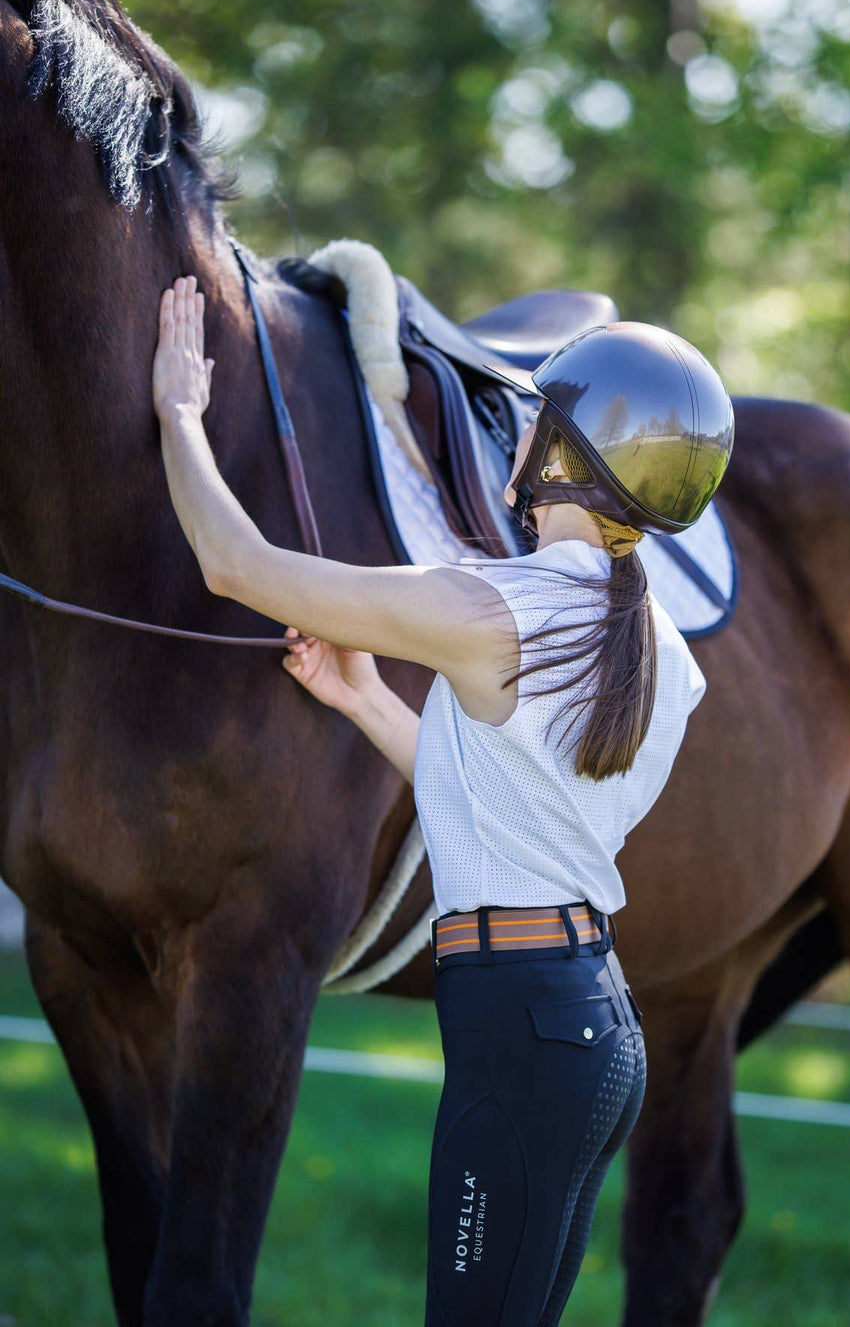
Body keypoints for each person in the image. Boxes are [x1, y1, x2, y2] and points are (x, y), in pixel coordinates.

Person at [151, 272, 734, 1325]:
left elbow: (235, 565)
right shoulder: (660, 648)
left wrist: (180, 415)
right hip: (589, 1021)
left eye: (533, 419)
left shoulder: (496, 604)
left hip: (519, 1026)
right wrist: (366, 696)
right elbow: (515, 805)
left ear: (563, 450)